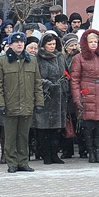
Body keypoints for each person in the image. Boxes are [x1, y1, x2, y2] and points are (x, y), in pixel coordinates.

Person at [0, 32, 42, 173]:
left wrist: (39, 102)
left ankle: (23, 162)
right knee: (10, 136)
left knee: (23, 135)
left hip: (27, 103)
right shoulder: (1, 61)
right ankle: (12, 163)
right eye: (16, 42)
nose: (19, 44)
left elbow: (37, 83)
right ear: (10, 44)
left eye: (21, 42)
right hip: (10, 104)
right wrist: (0, 103)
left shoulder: (31, 60)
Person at [70, 29, 99, 164]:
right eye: (91, 42)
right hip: (87, 93)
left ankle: (98, 151)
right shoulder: (79, 58)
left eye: (96, 41)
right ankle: (91, 152)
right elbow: (74, 80)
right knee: (89, 126)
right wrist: (77, 98)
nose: (94, 44)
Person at [32, 32, 67, 166]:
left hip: (59, 97)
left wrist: (64, 86)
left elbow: (65, 73)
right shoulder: (37, 58)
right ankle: (46, 154)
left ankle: (54, 154)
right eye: (49, 44)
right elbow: (35, 77)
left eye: (54, 44)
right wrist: (46, 84)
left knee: (56, 129)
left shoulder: (60, 57)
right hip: (44, 96)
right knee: (43, 128)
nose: (52, 46)